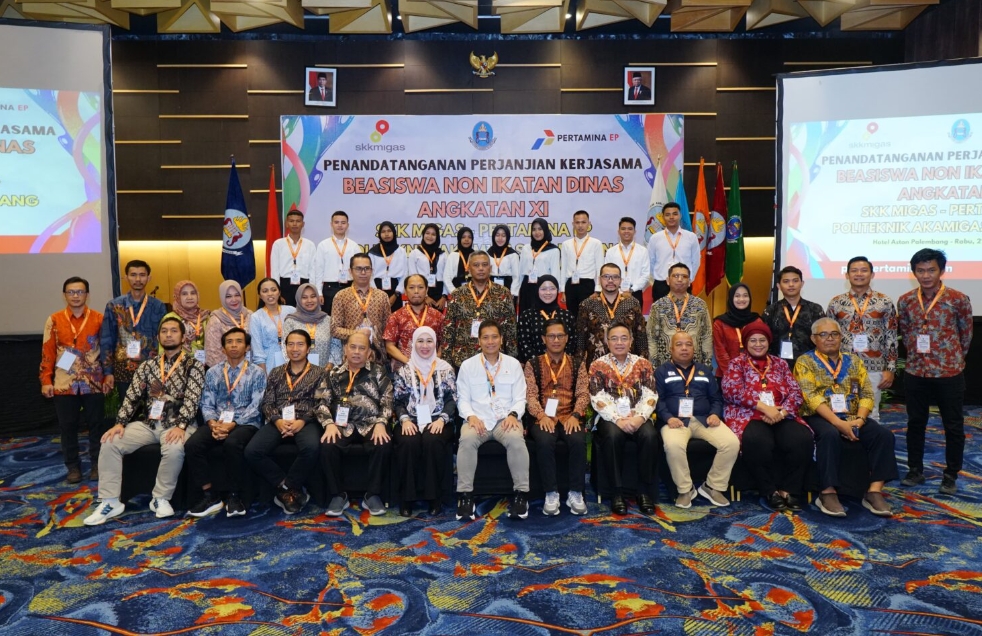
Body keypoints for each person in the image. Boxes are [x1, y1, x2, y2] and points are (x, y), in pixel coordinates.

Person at [84, 316, 206, 525]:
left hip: (178, 425)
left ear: (183, 337)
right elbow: (132, 396)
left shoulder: (193, 365)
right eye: (164, 331)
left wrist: (181, 425)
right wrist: (120, 423)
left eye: (174, 331)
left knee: (175, 448)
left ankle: (160, 498)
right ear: (158, 337)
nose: (169, 335)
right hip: (149, 424)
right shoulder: (148, 366)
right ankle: (110, 500)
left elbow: (192, 399)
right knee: (110, 441)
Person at [793, 318, 899, 517]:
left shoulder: (854, 361)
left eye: (834, 334)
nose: (830, 338)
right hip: (819, 416)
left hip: (853, 416)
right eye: (823, 335)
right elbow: (810, 396)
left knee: (883, 435)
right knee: (829, 435)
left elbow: (866, 393)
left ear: (841, 337)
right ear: (814, 339)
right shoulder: (805, 362)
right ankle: (827, 492)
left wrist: (860, 419)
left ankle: (874, 491)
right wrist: (838, 423)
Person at [897, 248, 973, 495]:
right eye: (920, 270)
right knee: (915, 423)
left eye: (931, 270)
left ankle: (950, 475)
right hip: (916, 372)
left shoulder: (958, 299)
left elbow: (966, 334)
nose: (926, 275)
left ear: (941, 271)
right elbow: (906, 332)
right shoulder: (906, 300)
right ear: (914, 273)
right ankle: (914, 470)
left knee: (953, 425)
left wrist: (952, 358)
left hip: (948, 372)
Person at [721, 322, 813, 511]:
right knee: (757, 442)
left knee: (801, 439)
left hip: (781, 414)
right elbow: (731, 390)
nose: (758, 344)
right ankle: (769, 490)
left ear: (769, 342)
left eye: (762, 340)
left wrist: (782, 412)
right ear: (746, 343)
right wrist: (765, 408)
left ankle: (789, 489)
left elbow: (796, 392)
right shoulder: (737, 363)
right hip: (749, 415)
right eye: (753, 340)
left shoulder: (780, 363)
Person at [185, 328, 267, 518]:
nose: (234, 345)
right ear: (223, 348)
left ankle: (234, 496)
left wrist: (233, 424)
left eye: (239, 341)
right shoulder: (213, 372)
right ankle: (210, 495)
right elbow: (206, 403)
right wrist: (213, 424)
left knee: (232, 443)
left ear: (247, 347)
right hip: (218, 421)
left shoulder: (257, 373)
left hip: (246, 422)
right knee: (192, 444)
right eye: (229, 342)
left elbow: (257, 406)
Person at [244, 330, 326, 515]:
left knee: (312, 448)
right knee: (252, 451)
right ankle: (285, 486)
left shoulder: (320, 373)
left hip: (306, 421)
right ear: (285, 347)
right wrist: (277, 420)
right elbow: (267, 403)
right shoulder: (276, 372)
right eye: (290, 344)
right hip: (278, 420)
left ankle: (288, 487)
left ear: (308, 348)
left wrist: (302, 421)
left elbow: (321, 403)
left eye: (300, 344)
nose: (295, 349)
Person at [455, 320, 529, 521]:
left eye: (494, 337)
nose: (490, 341)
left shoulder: (513, 364)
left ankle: (521, 495)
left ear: (501, 339)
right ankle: (465, 496)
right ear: (479, 341)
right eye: (485, 337)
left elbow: (520, 397)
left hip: (505, 420)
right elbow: (462, 399)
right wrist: (471, 416)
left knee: (516, 440)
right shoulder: (468, 366)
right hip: (477, 420)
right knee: (466, 440)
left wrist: (513, 415)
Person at [656, 331, 739, 509]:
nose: (684, 348)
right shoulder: (661, 372)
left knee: (732, 443)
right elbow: (657, 400)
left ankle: (713, 486)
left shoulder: (704, 370)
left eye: (688, 344)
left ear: (694, 348)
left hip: (704, 420)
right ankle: (685, 489)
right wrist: (668, 418)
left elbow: (716, 398)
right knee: (673, 446)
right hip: (676, 421)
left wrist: (715, 414)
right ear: (671, 349)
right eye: (679, 345)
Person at [317, 331, 393, 517]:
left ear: (369, 352)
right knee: (327, 444)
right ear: (345, 349)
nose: (357, 352)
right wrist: (329, 424)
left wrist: (382, 422)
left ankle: (372, 494)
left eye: (362, 348)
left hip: (371, 422)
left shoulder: (378, 371)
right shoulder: (333, 373)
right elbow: (320, 402)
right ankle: (338, 495)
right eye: (353, 347)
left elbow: (388, 399)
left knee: (383, 443)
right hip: (341, 424)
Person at [589, 322, 659, 515]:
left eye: (623, 338)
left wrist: (639, 417)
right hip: (610, 418)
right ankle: (616, 492)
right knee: (612, 436)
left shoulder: (643, 363)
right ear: (607, 341)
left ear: (631, 340)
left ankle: (643, 491)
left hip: (638, 416)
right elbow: (597, 397)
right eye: (614, 338)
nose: (619, 343)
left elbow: (651, 395)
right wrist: (617, 419)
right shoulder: (597, 365)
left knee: (650, 436)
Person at [40, 276, 105, 483]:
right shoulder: (54, 319)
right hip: (64, 383)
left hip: (93, 382)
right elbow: (48, 352)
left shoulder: (99, 319)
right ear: (64, 295)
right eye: (71, 292)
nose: (75, 295)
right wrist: (46, 380)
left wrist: (108, 376)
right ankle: (73, 468)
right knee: (68, 427)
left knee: (97, 426)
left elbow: (106, 351)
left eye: (80, 292)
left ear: (87, 294)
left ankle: (97, 465)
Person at [525, 319, 590, 516]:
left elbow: (583, 394)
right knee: (544, 441)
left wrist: (576, 415)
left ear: (567, 338)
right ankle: (550, 493)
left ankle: (575, 493)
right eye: (551, 336)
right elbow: (530, 395)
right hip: (543, 416)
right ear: (543, 339)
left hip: (569, 415)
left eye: (560, 336)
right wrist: (541, 415)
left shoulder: (577, 363)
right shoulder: (533, 364)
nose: (556, 340)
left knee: (578, 440)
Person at [392, 326, 458, 517]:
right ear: (413, 344)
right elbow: (398, 401)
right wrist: (404, 420)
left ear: (435, 344)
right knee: (408, 441)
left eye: (429, 341)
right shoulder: (404, 370)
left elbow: (452, 400)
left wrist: (442, 420)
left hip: (439, 419)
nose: (425, 346)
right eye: (420, 341)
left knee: (432, 440)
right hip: (410, 419)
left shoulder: (445, 369)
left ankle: (434, 497)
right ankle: (407, 499)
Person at [826, 256, 898, 421]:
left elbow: (891, 336)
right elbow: (828, 338)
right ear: (847, 275)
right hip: (842, 366)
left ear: (872, 275)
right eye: (854, 271)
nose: (859, 274)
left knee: (871, 413)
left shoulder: (884, 301)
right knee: (841, 410)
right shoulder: (836, 302)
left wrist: (890, 369)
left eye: (864, 270)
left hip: (874, 366)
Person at [100, 259, 167, 400]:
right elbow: (107, 339)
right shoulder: (114, 305)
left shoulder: (158, 306)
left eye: (142, 275)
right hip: (123, 369)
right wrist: (108, 372)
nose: (138, 279)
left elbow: (164, 340)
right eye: (133, 275)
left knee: (152, 409)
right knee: (127, 409)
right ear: (126, 277)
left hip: (152, 368)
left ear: (149, 278)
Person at [441, 251, 518, 369]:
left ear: (490, 268)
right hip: (462, 360)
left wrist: (512, 360)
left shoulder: (503, 293)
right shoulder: (457, 294)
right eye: (476, 265)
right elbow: (448, 329)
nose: (481, 268)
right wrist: (446, 363)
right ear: (469, 269)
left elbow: (511, 330)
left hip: (494, 359)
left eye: (484, 265)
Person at [576, 263, 647, 368]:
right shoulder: (587, 304)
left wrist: (643, 363)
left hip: (627, 366)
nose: (610, 280)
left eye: (615, 277)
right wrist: (579, 366)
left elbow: (641, 337)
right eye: (606, 277)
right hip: (596, 366)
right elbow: (580, 339)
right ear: (599, 279)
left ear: (621, 280)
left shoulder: (632, 303)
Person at [330, 253, 391, 365]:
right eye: (358, 269)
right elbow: (334, 330)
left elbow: (388, 330)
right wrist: (356, 333)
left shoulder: (382, 296)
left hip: (377, 359)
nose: (363, 272)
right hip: (351, 358)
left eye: (367, 268)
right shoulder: (341, 296)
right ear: (350, 271)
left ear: (372, 271)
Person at [648, 263, 713, 369]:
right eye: (675, 276)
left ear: (689, 282)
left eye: (684, 276)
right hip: (665, 366)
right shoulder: (658, 306)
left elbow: (707, 335)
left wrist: (707, 365)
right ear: (668, 281)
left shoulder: (700, 305)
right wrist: (654, 366)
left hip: (695, 365)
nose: (680, 279)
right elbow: (652, 338)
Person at [761, 266, 825, 365]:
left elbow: (823, 337)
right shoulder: (770, 310)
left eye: (795, 281)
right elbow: (764, 338)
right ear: (778, 286)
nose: (791, 285)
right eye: (786, 281)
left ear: (802, 284)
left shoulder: (815, 309)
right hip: (777, 364)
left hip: (810, 364)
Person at [384, 274, 445, 370]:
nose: (416, 291)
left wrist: (435, 360)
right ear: (405, 291)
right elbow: (389, 346)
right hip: (404, 368)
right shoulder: (396, 316)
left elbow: (444, 342)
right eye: (411, 287)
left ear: (426, 290)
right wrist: (409, 363)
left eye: (420, 287)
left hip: (431, 368)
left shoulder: (438, 316)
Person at [646, 202, 700, 303]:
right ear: (663, 217)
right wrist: (656, 279)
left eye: (675, 214)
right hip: (661, 284)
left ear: (680, 215)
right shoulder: (655, 238)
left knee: (683, 312)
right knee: (660, 313)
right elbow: (650, 261)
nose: (671, 217)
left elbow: (695, 261)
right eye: (668, 214)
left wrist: (689, 279)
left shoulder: (691, 237)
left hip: (683, 283)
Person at [516, 275, 576, 363]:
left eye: (552, 289)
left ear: (557, 291)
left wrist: (560, 362)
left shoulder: (567, 315)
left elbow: (572, 342)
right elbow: (524, 343)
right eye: (543, 289)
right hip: (534, 366)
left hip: (563, 365)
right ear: (537, 290)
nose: (548, 292)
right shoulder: (527, 316)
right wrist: (539, 364)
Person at [314, 210, 361, 315]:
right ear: (331, 224)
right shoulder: (323, 245)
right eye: (336, 222)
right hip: (329, 289)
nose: (340, 225)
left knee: (350, 318)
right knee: (330, 319)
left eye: (343, 223)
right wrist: (319, 292)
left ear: (347, 225)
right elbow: (319, 270)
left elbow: (359, 269)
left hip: (350, 287)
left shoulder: (354, 246)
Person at [560, 210, 605, 318]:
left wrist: (598, 290)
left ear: (589, 224)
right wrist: (563, 290)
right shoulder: (566, 244)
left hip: (587, 285)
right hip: (571, 285)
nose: (580, 226)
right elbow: (563, 268)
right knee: (572, 317)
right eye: (577, 222)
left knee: (588, 318)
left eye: (583, 222)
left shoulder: (596, 243)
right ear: (573, 224)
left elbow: (600, 268)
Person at [712, 283, 760, 379]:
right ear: (731, 298)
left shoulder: (757, 321)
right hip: (727, 375)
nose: (741, 299)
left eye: (745, 296)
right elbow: (720, 353)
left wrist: (751, 373)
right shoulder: (720, 323)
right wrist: (733, 375)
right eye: (737, 296)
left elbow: (760, 349)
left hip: (753, 375)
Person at [269, 208, 316, 306]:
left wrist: (311, 290)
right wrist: (276, 291)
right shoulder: (278, 244)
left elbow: (313, 270)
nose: (295, 224)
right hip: (284, 285)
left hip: (304, 284)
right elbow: (275, 270)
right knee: (286, 313)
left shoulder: (310, 245)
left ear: (303, 224)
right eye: (291, 221)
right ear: (287, 224)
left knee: (304, 313)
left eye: (298, 221)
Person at [250, 278, 295, 372]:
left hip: (293, 358)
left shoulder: (291, 311)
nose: (270, 294)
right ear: (260, 296)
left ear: (279, 292)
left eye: (273, 290)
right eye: (265, 291)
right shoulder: (256, 317)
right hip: (269, 363)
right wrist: (263, 374)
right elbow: (257, 350)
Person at [204, 280, 253, 368]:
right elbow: (213, 353)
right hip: (225, 370)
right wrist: (232, 369)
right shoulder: (216, 319)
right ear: (222, 298)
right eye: (228, 296)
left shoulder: (250, 315)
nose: (234, 299)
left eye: (237, 295)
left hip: (251, 369)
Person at [516, 218, 561, 312]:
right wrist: (518, 290)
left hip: (543, 286)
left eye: (540, 229)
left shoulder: (554, 250)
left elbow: (555, 273)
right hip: (526, 286)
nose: (537, 232)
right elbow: (520, 272)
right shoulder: (526, 248)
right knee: (525, 315)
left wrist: (553, 291)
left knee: (542, 315)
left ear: (545, 230)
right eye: (534, 229)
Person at [604, 216, 650, 307]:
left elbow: (645, 275)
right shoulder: (611, 251)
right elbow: (607, 274)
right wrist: (618, 289)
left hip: (635, 293)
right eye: (623, 229)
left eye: (630, 229)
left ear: (635, 231)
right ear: (618, 231)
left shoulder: (643, 251)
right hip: (615, 293)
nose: (626, 231)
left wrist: (632, 289)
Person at [283, 284, 331, 367]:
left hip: (325, 369)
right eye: (304, 297)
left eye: (313, 296)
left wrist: (330, 365)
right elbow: (285, 347)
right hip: (298, 370)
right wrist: (295, 368)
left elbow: (335, 345)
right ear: (298, 299)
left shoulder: (327, 320)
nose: (309, 300)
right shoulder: (291, 321)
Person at [166, 280, 209, 364]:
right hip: (175, 365)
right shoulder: (169, 319)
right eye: (184, 294)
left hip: (202, 365)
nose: (189, 297)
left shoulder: (205, 317)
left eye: (193, 293)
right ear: (177, 296)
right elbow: (164, 346)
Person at [407, 222, 447, 312]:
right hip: (421, 293)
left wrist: (444, 297)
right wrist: (425, 296)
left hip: (439, 295)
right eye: (427, 233)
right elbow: (412, 276)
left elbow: (446, 277)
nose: (430, 236)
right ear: (423, 234)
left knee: (437, 320)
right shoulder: (415, 253)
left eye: (433, 234)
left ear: (437, 237)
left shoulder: (442, 254)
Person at [368, 221, 407, 311]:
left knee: (395, 317)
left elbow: (405, 274)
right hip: (376, 290)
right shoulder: (373, 252)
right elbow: (370, 275)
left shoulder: (401, 251)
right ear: (379, 234)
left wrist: (396, 294)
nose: (386, 234)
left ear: (394, 233)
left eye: (389, 231)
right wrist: (376, 294)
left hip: (395, 291)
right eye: (383, 231)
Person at [488, 224, 520, 301]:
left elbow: (516, 276)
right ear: (493, 237)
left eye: (503, 236)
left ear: (507, 237)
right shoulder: (488, 253)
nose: (500, 238)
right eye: (497, 235)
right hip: (491, 289)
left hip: (508, 289)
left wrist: (512, 293)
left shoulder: (513, 254)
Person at [444, 226, 475, 296]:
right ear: (459, 239)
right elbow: (447, 278)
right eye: (463, 237)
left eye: (469, 237)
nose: (466, 239)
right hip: (456, 293)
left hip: (474, 294)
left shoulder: (476, 255)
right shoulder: (453, 255)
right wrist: (455, 293)